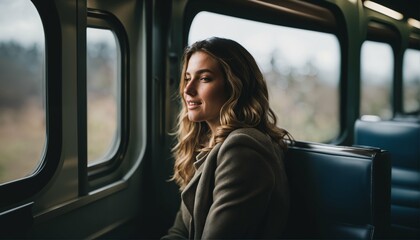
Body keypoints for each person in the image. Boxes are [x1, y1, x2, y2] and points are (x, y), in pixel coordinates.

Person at [162, 37, 292, 239]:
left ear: (234, 86)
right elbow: (179, 231)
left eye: (204, 78)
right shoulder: (205, 143)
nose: (187, 90)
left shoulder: (243, 149)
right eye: (187, 78)